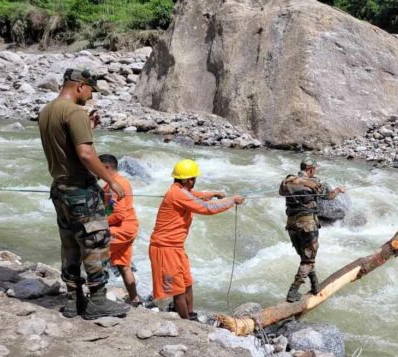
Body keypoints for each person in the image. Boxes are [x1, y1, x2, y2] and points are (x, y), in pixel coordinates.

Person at [38, 68, 130, 319]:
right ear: (79, 86)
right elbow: (86, 155)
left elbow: (64, 147)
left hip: (60, 188)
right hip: (81, 191)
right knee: (95, 243)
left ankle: (72, 299)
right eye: (90, 90)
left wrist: (88, 128)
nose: (90, 97)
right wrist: (112, 180)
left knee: (69, 243)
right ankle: (98, 300)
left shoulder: (47, 110)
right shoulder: (75, 111)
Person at [148, 159, 244, 319]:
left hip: (176, 247)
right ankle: (186, 323)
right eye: (193, 178)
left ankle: (190, 314)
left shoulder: (179, 190)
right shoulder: (177, 193)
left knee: (187, 283)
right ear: (188, 179)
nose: (194, 181)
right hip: (164, 248)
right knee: (177, 290)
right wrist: (231, 201)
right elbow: (208, 208)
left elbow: (195, 196)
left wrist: (212, 194)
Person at [279, 157, 345, 303]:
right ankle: (293, 291)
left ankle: (315, 285)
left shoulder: (287, 181)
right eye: (315, 169)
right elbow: (328, 196)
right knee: (308, 259)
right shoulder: (314, 183)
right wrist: (338, 190)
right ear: (311, 169)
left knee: (306, 256)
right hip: (307, 225)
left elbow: (281, 193)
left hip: (291, 225)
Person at [99, 154, 141, 306]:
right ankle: (135, 299)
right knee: (123, 265)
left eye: (97, 168)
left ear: (106, 167)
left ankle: (97, 297)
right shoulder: (120, 181)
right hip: (129, 228)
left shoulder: (114, 185)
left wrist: (98, 223)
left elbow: (118, 214)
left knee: (97, 257)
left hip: (121, 229)